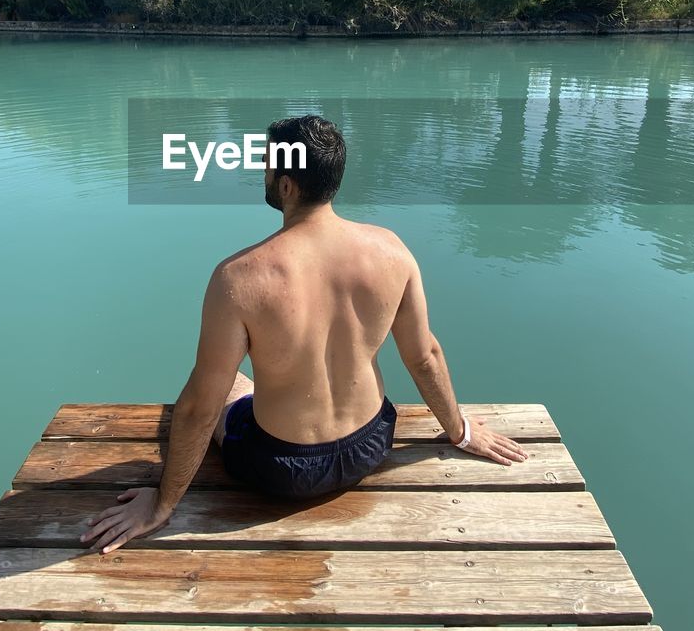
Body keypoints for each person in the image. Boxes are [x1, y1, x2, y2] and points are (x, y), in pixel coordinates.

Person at [81, 114, 528, 553]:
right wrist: (461, 431)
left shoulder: (239, 279)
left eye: (268, 168)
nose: (264, 175)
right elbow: (425, 355)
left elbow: (199, 410)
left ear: (288, 185)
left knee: (220, 387)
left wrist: (161, 505)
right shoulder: (392, 251)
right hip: (370, 445)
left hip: (280, 469)